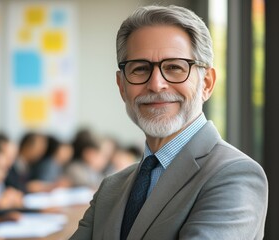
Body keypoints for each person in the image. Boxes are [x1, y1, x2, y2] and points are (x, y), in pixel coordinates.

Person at [70, 5, 268, 240]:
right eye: (140, 69)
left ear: (207, 84)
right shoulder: (111, 188)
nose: (156, 84)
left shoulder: (234, 175)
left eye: (174, 67)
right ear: (122, 86)